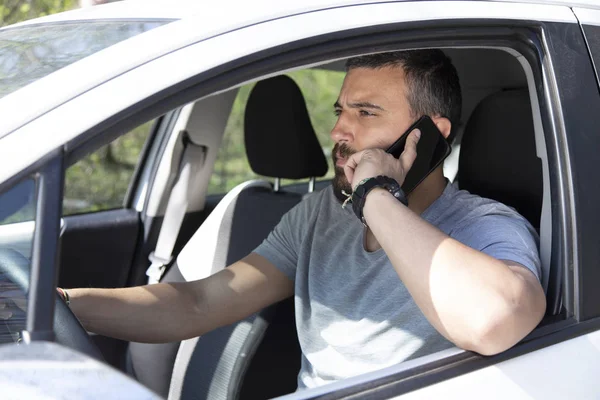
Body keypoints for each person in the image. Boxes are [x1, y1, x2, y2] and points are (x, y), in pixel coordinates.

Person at [61, 50, 546, 389]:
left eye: (365, 112)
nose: (338, 129)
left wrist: (377, 195)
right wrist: (57, 305)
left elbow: (494, 320)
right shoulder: (318, 216)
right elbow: (198, 303)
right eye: (340, 110)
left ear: (432, 136)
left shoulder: (485, 227)